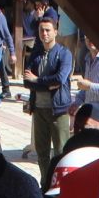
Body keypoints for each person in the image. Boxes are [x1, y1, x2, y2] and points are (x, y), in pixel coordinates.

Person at [22, 17, 74, 185]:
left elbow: (59, 79)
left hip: (58, 110)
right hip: (38, 109)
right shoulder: (36, 54)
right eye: (41, 30)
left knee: (60, 151)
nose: (44, 33)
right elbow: (26, 81)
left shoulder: (64, 53)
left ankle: (61, 185)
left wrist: (37, 80)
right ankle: (45, 183)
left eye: (47, 30)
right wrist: (46, 84)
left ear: (55, 32)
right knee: (42, 152)